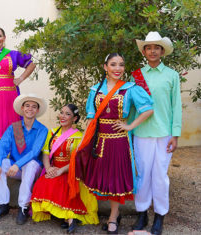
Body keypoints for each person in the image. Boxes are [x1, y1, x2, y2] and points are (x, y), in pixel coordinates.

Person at [70, 53, 154, 234]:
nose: (118, 68)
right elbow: (91, 119)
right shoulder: (95, 90)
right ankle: (103, 212)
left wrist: (130, 125)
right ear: (105, 67)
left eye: (121, 65)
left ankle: (113, 217)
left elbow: (148, 109)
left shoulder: (130, 88)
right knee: (104, 179)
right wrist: (83, 141)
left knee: (116, 180)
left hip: (119, 142)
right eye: (113, 64)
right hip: (99, 142)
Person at [131, 32, 182, 235]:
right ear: (144, 51)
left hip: (163, 133)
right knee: (142, 175)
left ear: (162, 51)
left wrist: (175, 135)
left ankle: (160, 215)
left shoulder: (172, 75)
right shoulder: (136, 76)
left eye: (156, 48)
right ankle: (142, 212)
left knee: (160, 176)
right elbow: (133, 106)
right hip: (141, 132)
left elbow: (176, 106)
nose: (152, 51)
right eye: (149, 47)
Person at [31, 104, 99, 234]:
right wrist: (48, 168)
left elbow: (77, 160)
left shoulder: (79, 137)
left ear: (74, 118)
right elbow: (46, 153)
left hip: (71, 170)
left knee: (66, 185)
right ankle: (66, 217)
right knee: (43, 183)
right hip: (54, 168)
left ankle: (69, 219)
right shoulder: (52, 133)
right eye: (61, 112)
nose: (63, 116)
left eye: (67, 114)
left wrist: (61, 170)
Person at [0, 94, 48, 225]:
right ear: (22, 108)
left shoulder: (42, 130)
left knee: (31, 164)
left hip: (32, 169)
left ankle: (23, 207)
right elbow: (1, 147)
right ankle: (3, 204)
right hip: (16, 168)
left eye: (34, 107)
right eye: (27, 106)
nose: (30, 109)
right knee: (0, 163)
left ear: (37, 110)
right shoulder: (14, 127)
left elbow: (35, 152)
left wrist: (17, 164)